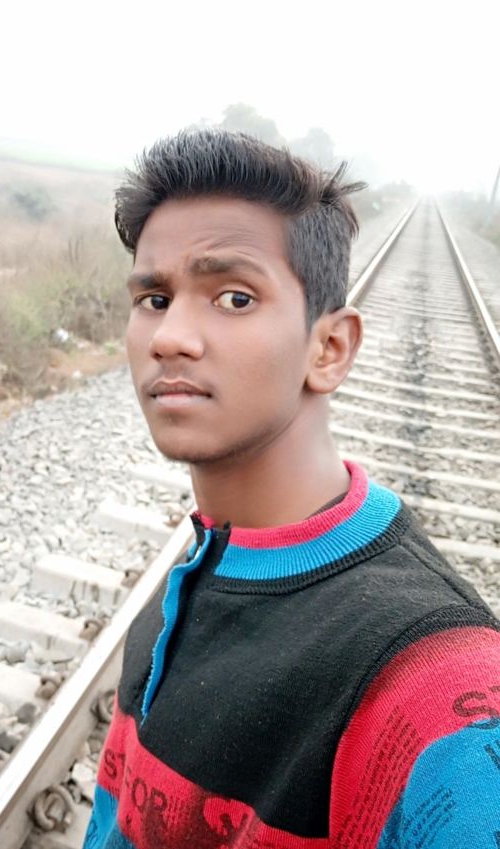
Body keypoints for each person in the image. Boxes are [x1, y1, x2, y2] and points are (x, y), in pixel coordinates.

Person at [83, 130, 500, 849]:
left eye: (234, 297)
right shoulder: (196, 570)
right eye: (154, 297)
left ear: (329, 348)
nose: (169, 337)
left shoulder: (438, 687)